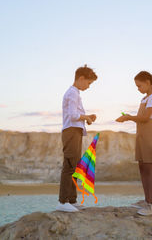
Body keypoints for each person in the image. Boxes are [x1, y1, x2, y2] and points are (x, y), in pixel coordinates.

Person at [116, 71, 152, 215]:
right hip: (142, 136)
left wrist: (129, 118)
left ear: (148, 83)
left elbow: (146, 118)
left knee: (149, 168)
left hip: (149, 137)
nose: (138, 89)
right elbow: (142, 117)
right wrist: (129, 117)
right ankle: (147, 201)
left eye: (139, 85)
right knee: (142, 167)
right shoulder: (145, 99)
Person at [56, 65, 97, 212]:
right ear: (81, 78)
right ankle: (62, 201)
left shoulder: (75, 93)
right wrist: (86, 117)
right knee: (69, 166)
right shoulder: (73, 93)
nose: (89, 86)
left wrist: (87, 118)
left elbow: (74, 115)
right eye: (89, 83)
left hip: (75, 131)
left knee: (74, 166)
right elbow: (73, 116)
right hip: (71, 132)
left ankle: (72, 200)